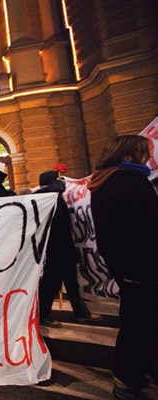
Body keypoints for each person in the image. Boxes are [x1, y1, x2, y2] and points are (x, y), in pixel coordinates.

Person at [88, 135, 158, 400]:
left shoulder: (106, 182)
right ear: (128, 156)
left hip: (129, 265)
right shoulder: (127, 184)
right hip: (140, 266)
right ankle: (127, 381)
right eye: (143, 153)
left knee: (139, 320)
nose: (147, 158)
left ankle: (134, 374)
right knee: (140, 323)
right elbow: (146, 228)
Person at [36, 171, 102, 328]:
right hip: (56, 249)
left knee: (72, 283)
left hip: (64, 247)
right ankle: (42, 315)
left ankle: (81, 313)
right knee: (51, 284)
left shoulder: (56, 197)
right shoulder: (47, 199)